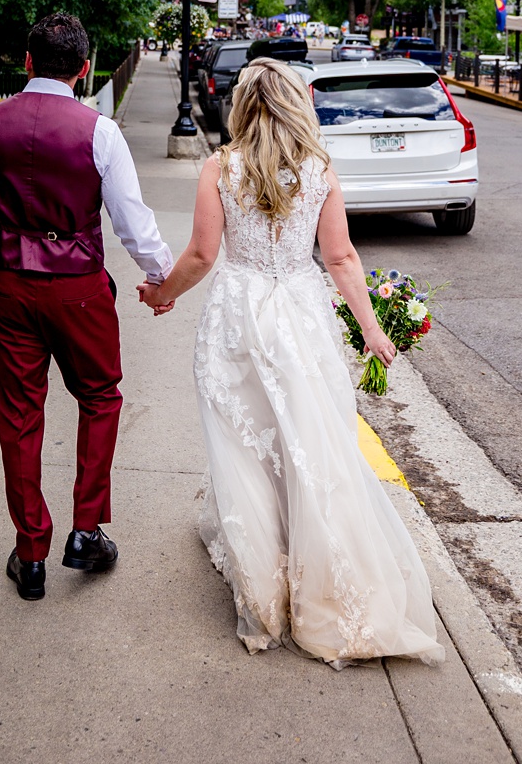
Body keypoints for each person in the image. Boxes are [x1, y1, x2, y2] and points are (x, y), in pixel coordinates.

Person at [138, 59, 444, 668]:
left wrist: (161, 294)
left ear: (243, 105)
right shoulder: (319, 170)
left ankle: (265, 593)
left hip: (240, 315)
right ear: (297, 104)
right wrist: (371, 329)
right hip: (301, 314)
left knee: (245, 445)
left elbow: (201, 254)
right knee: (311, 439)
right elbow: (341, 258)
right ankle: (321, 580)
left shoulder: (219, 168)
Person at [0, 13, 172, 602]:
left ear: (27, 62)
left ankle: (30, 549)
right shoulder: (99, 131)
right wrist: (158, 275)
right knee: (99, 396)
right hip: (79, 288)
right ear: (85, 68)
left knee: (20, 413)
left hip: (12, 285)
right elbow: (130, 218)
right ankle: (85, 529)